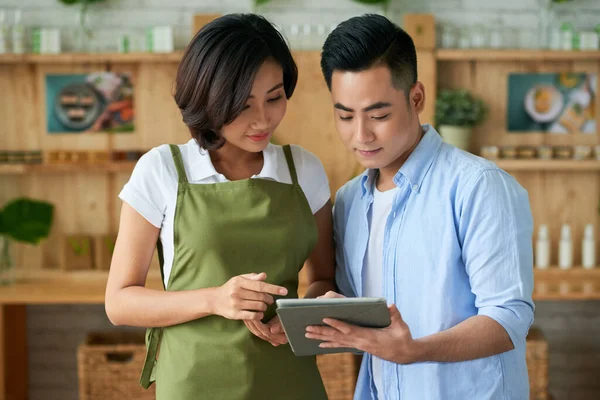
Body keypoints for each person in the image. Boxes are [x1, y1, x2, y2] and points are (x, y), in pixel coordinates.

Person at [105, 14, 335, 400]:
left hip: (289, 378)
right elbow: (119, 302)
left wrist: (297, 316)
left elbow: (324, 280)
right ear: (210, 99)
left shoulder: (303, 171)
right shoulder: (163, 170)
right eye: (243, 105)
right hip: (195, 382)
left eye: (275, 98)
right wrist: (214, 299)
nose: (263, 119)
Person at [305, 14, 535, 400]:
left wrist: (415, 351)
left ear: (416, 98)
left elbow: (509, 319)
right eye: (345, 116)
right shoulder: (348, 201)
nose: (360, 135)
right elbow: (357, 307)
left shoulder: (478, 187)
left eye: (378, 115)